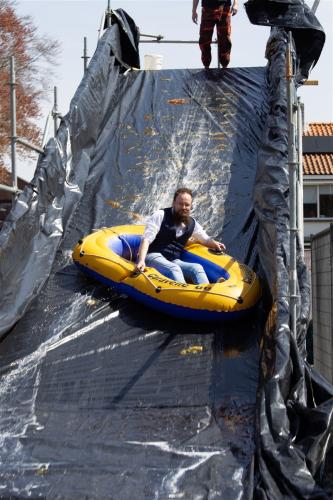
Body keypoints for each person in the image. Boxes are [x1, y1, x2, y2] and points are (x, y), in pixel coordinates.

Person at [135, 188, 225, 284]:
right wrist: (141, 260)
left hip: (173, 260)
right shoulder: (160, 215)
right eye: (180, 204)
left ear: (191, 206)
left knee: (197, 268)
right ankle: (186, 295)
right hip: (152, 256)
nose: (184, 207)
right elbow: (146, 239)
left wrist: (215, 244)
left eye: (187, 205)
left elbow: (205, 239)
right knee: (174, 269)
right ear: (174, 203)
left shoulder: (192, 223)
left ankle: (207, 293)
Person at [192, 0, 238, 70]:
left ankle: (224, 67)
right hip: (208, 8)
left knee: (225, 38)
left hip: (225, 6)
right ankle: (206, 67)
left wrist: (235, 4)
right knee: (204, 39)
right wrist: (194, 10)